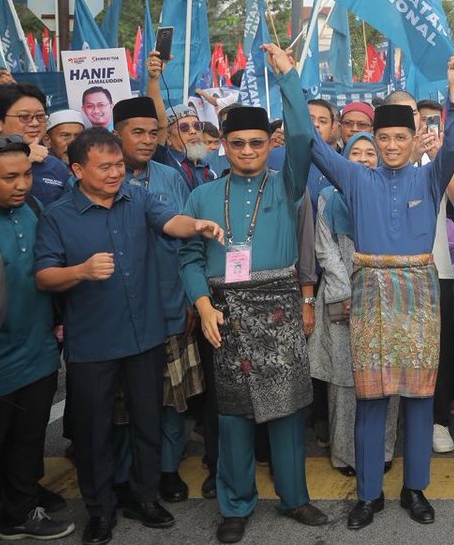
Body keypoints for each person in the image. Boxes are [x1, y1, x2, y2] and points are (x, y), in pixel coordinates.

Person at [34, 127, 224, 545]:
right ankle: (100, 510)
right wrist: (80, 271)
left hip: (145, 337)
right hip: (93, 345)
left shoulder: (137, 199)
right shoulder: (58, 216)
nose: (116, 173)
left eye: (119, 164)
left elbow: (169, 220)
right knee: (94, 431)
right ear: (77, 168)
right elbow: (44, 275)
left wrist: (197, 225)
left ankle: (145, 496)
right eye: (105, 167)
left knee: (147, 421)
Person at [309, 55, 454, 530]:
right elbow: (310, 145)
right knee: (371, 398)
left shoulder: (429, 176)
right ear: (373, 142)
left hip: (419, 294)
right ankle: (368, 494)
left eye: (401, 137)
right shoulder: (356, 178)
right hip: (372, 296)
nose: (393, 145)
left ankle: (415, 488)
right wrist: (288, 81)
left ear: (413, 139)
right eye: (384, 138)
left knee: (419, 399)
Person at [179, 44, 327, 543]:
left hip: (280, 306)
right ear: (222, 143)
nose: (246, 151)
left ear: (270, 144)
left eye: (256, 143)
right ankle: (235, 504)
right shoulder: (200, 195)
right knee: (233, 414)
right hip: (224, 312)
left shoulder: (286, 183)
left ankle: (295, 498)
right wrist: (202, 305)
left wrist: (288, 78)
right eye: (237, 143)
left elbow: (304, 134)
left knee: (287, 409)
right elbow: (188, 258)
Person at [0, 136, 74, 541]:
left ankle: (19, 513)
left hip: (37, 351)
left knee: (28, 439)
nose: (22, 184)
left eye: (27, 174)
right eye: (10, 177)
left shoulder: (35, 209)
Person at [112, 97, 204, 506]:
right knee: (121, 402)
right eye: (138, 132)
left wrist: (189, 300)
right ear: (117, 134)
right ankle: (123, 474)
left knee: (172, 397)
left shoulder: (171, 177)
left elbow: (188, 245)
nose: (148, 140)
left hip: (169, 304)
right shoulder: (102, 178)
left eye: (154, 132)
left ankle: (167, 469)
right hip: (118, 312)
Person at [309, 133, 377, 478]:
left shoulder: (386, 196)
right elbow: (325, 251)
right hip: (343, 297)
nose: (363, 159)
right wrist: (348, 294)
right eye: (357, 152)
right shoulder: (327, 197)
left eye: (370, 153)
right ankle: (345, 454)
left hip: (382, 300)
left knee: (383, 377)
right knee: (344, 379)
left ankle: (382, 451)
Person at [0, 83, 69, 207]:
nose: (35, 123)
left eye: (40, 116)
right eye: (24, 117)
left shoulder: (56, 167)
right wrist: (22, 160)